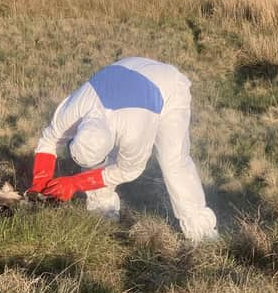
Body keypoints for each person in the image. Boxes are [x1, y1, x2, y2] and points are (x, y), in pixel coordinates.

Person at [27, 57, 218, 242]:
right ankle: (103, 209)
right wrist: (39, 183)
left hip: (168, 88)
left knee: (172, 161)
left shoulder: (133, 130)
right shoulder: (75, 110)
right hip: (126, 71)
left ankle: (200, 229)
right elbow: (50, 139)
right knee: (97, 157)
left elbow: (129, 170)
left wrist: (75, 184)